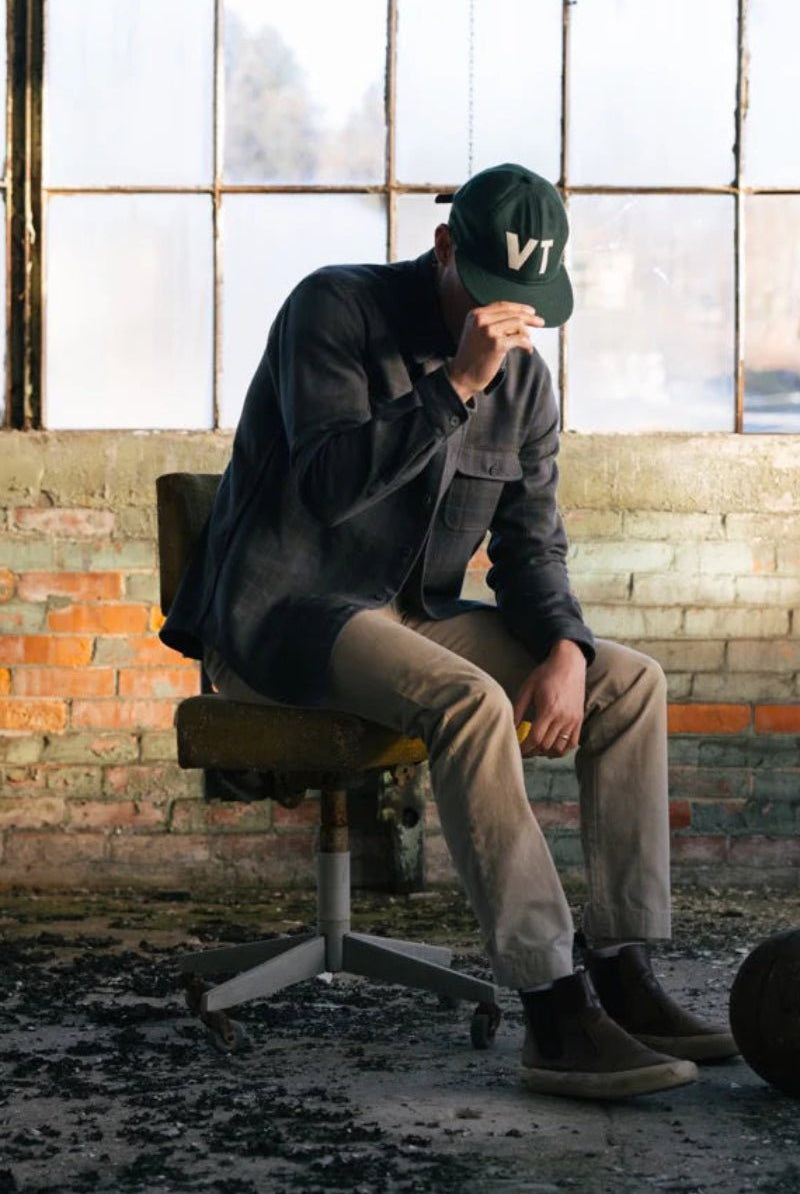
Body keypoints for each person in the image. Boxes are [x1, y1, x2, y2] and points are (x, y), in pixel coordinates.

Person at [161, 162, 736, 1100]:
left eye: (528, 302)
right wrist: (456, 385)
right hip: (285, 615)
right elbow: (326, 488)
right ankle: (553, 1010)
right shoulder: (334, 311)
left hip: (408, 617)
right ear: (442, 252)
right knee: (468, 702)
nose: (507, 320)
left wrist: (564, 649)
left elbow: (530, 545)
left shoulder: (530, 387)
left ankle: (621, 967)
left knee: (627, 681)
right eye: (489, 293)